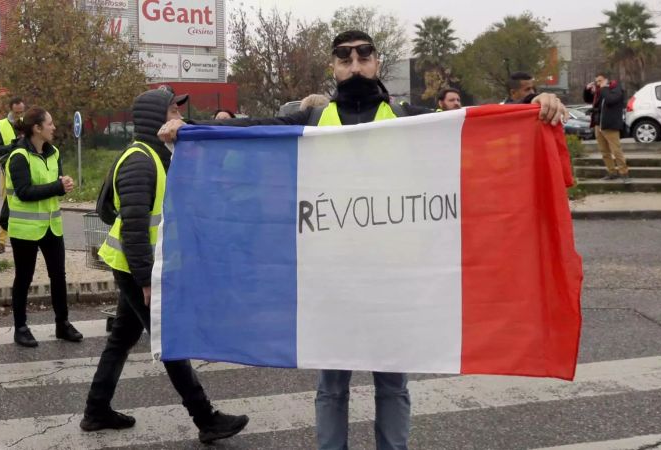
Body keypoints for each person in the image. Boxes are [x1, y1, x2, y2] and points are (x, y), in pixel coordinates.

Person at [160, 30, 567, 450]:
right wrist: (190, 130)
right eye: (344, 58)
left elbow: (479, 130)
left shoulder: (409, 117)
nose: (354, 65)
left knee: (392, 386)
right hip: (332, 284)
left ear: (376, 61)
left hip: (393, 283)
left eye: (363, 56)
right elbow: (251, 130)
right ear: (333, 67)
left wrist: (533, 107)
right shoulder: (314, 122)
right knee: (331, 388)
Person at [81, 87, 250, 444]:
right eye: (175, 108)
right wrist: (145, 279)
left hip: (143, 265)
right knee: (171, 339)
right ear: (157, 116)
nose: (180, 114)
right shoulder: (141, 160)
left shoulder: (161, 154)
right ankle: (206, 418)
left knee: (121, 339)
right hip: (136, 268)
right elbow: (134, 227)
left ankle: (96, 410)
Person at [3, 106, 82, 347]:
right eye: (50, 123)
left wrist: (64, 182)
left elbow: (55, 182)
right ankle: (21, 327)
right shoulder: (19, 156)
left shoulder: (54, 152)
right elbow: (24, 192)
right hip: (24, 230)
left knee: (58, 276)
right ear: (37, 129)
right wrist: (57, 188)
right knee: (23, 278)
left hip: (51, 226)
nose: (54, 127)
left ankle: (62, 324)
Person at [0, 97, 26, 254]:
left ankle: (26, 239)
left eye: (21, 112)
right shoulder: (1, 125)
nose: (19, 115)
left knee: (25, 203)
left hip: (27, 167)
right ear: (11, 110)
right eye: (16, 112)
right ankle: (1, 241)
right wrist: (12, 146)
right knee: (7, 203)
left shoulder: (29, 123)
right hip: (8, 170)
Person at [584, 71, 629, 182]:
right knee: (604, 151)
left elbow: (610, 100)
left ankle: (624, 173)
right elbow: (589, 100)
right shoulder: (600, 91)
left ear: (606, 80)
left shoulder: (615, 88)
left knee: (616, 150)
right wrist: (587, 90)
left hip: (610, 124)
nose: (598, 83)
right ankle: (611, 172)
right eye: (597, 81)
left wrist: (603, 89)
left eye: (600, 81)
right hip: (599, 124)